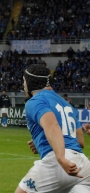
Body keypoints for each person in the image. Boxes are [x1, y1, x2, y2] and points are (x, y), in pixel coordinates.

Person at [16, 64, 90, 193]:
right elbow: (80, 142)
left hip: (58, 162)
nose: (23, 86)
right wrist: (44, 140)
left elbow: (52, 125)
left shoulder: (35, 101)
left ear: (30, 82)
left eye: (24, 81)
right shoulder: (66, 103)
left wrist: (61, 158)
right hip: (82, 164)